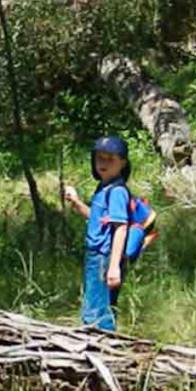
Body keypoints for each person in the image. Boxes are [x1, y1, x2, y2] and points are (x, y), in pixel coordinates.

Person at [61, 135, 135, 332]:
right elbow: (96, 217)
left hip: (104, 257)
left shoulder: (117, 191)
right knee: (93, 304)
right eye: (99, 158)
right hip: (95, 256)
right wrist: (76, 202)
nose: (103, 163)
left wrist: (113, 268)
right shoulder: (104, 188)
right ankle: (95, 344)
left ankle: (103, 350)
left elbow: (120, 228)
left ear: (123, 163)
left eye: (110, 159)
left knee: (98, 312)